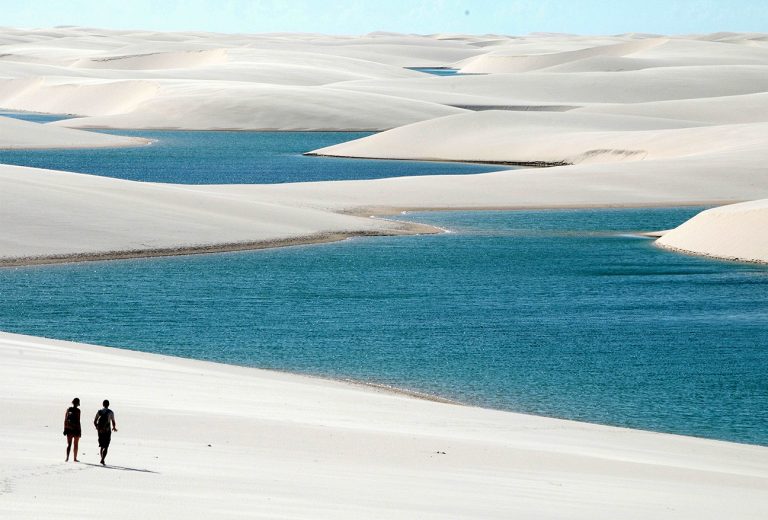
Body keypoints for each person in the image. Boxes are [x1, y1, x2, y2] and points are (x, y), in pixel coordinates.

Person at [93, 399, 117, 466]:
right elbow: (113, 421)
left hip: (100, 431)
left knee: (101, 446)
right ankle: (103, 459)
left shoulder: (100, 411)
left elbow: (95, 421)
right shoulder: (110, 412)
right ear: (108, 405)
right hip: (107, 431)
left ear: (103, 404)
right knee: (106, 446)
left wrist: (97, 428)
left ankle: (102, 459)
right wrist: (114, 427)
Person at [63, 397, 81, 462]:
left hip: (69, 429)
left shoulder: (68, 409)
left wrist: (65, 428)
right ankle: (75, 458)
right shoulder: (78, 411)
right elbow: (78, 420)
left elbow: (65, 420)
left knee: (69, 444)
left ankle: (67, 458)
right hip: (76, 429)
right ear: (78, 403)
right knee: (76, 444)